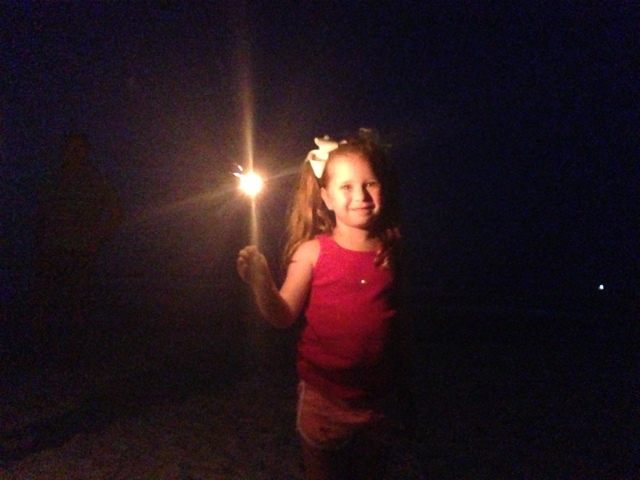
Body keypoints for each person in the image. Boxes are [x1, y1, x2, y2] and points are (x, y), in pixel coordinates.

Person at [237, 129, 415, 480]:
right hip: (324, 400)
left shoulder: (390, 249)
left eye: (370, 183)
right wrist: (262, 283)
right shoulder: (313, 252)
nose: (360, 195)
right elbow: (283, 315)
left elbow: (396, 319)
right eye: (346, 186)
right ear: (326, 198)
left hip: (378, 398)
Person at [32, 133, 123, 361]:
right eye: (72, 148)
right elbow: (41, 212)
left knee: (78, 304)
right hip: (53, 250)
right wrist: (40, 241)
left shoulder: (95, 180)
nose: (75, 153)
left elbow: (115, 211)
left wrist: (98, 239)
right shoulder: (53, 179)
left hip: (81, 251)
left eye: (80, 148)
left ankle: (76, 354)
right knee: (50, 303)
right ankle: (47, 353)